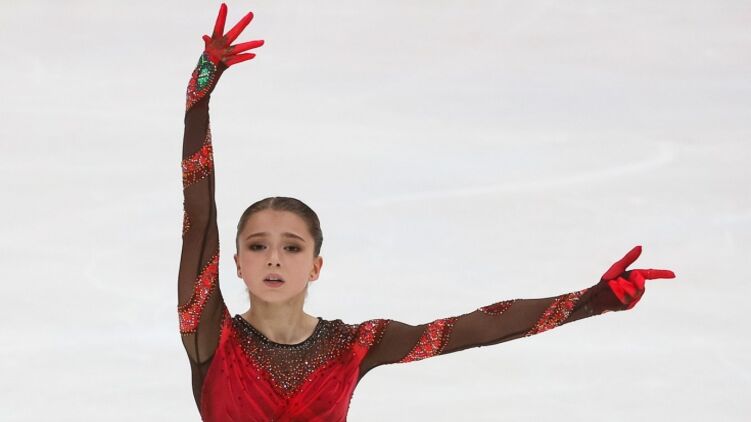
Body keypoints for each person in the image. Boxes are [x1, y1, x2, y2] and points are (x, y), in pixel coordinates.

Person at [177, 4, 677, 421]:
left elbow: (480, 326)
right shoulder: (210, 335)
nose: (273, 258)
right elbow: (199, 219)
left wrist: (591, 301)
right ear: (236, 263)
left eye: (292, 247)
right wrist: (199, 95)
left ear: (316, 265)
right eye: (258, 246)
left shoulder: (354, 346)